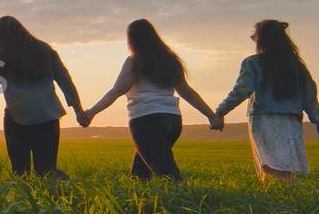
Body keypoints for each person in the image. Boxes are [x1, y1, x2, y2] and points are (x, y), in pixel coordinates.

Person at [79, 19, 219, 181]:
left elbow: (117, 90)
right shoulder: (171, 61)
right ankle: (140, 204)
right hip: (173, 121)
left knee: (168, 175)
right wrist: (211, 115)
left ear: (132, 40)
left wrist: (91, 112)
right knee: (140, 173)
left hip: (146, 120)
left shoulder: (134, 61)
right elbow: (187, 93)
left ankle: (189, 203)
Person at [214, 19, 319, 180]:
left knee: (273, 168)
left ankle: (281, 200)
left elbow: (240, 91)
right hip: (291, 122)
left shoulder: (253, 63)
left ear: (262, 40)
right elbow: (312, 104)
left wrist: (219, 112)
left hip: (264, 120)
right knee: (286, 167)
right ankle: (289, 199)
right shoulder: (297, 67)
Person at [0, 16, 83, 178]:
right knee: (47, 170)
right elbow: (65, 81)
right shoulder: (45, 50)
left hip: (17, 117)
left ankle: (23, 201)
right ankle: (59, 196)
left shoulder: (4, 53)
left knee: (20, 171)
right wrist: (78, 110)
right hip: (48, 117)